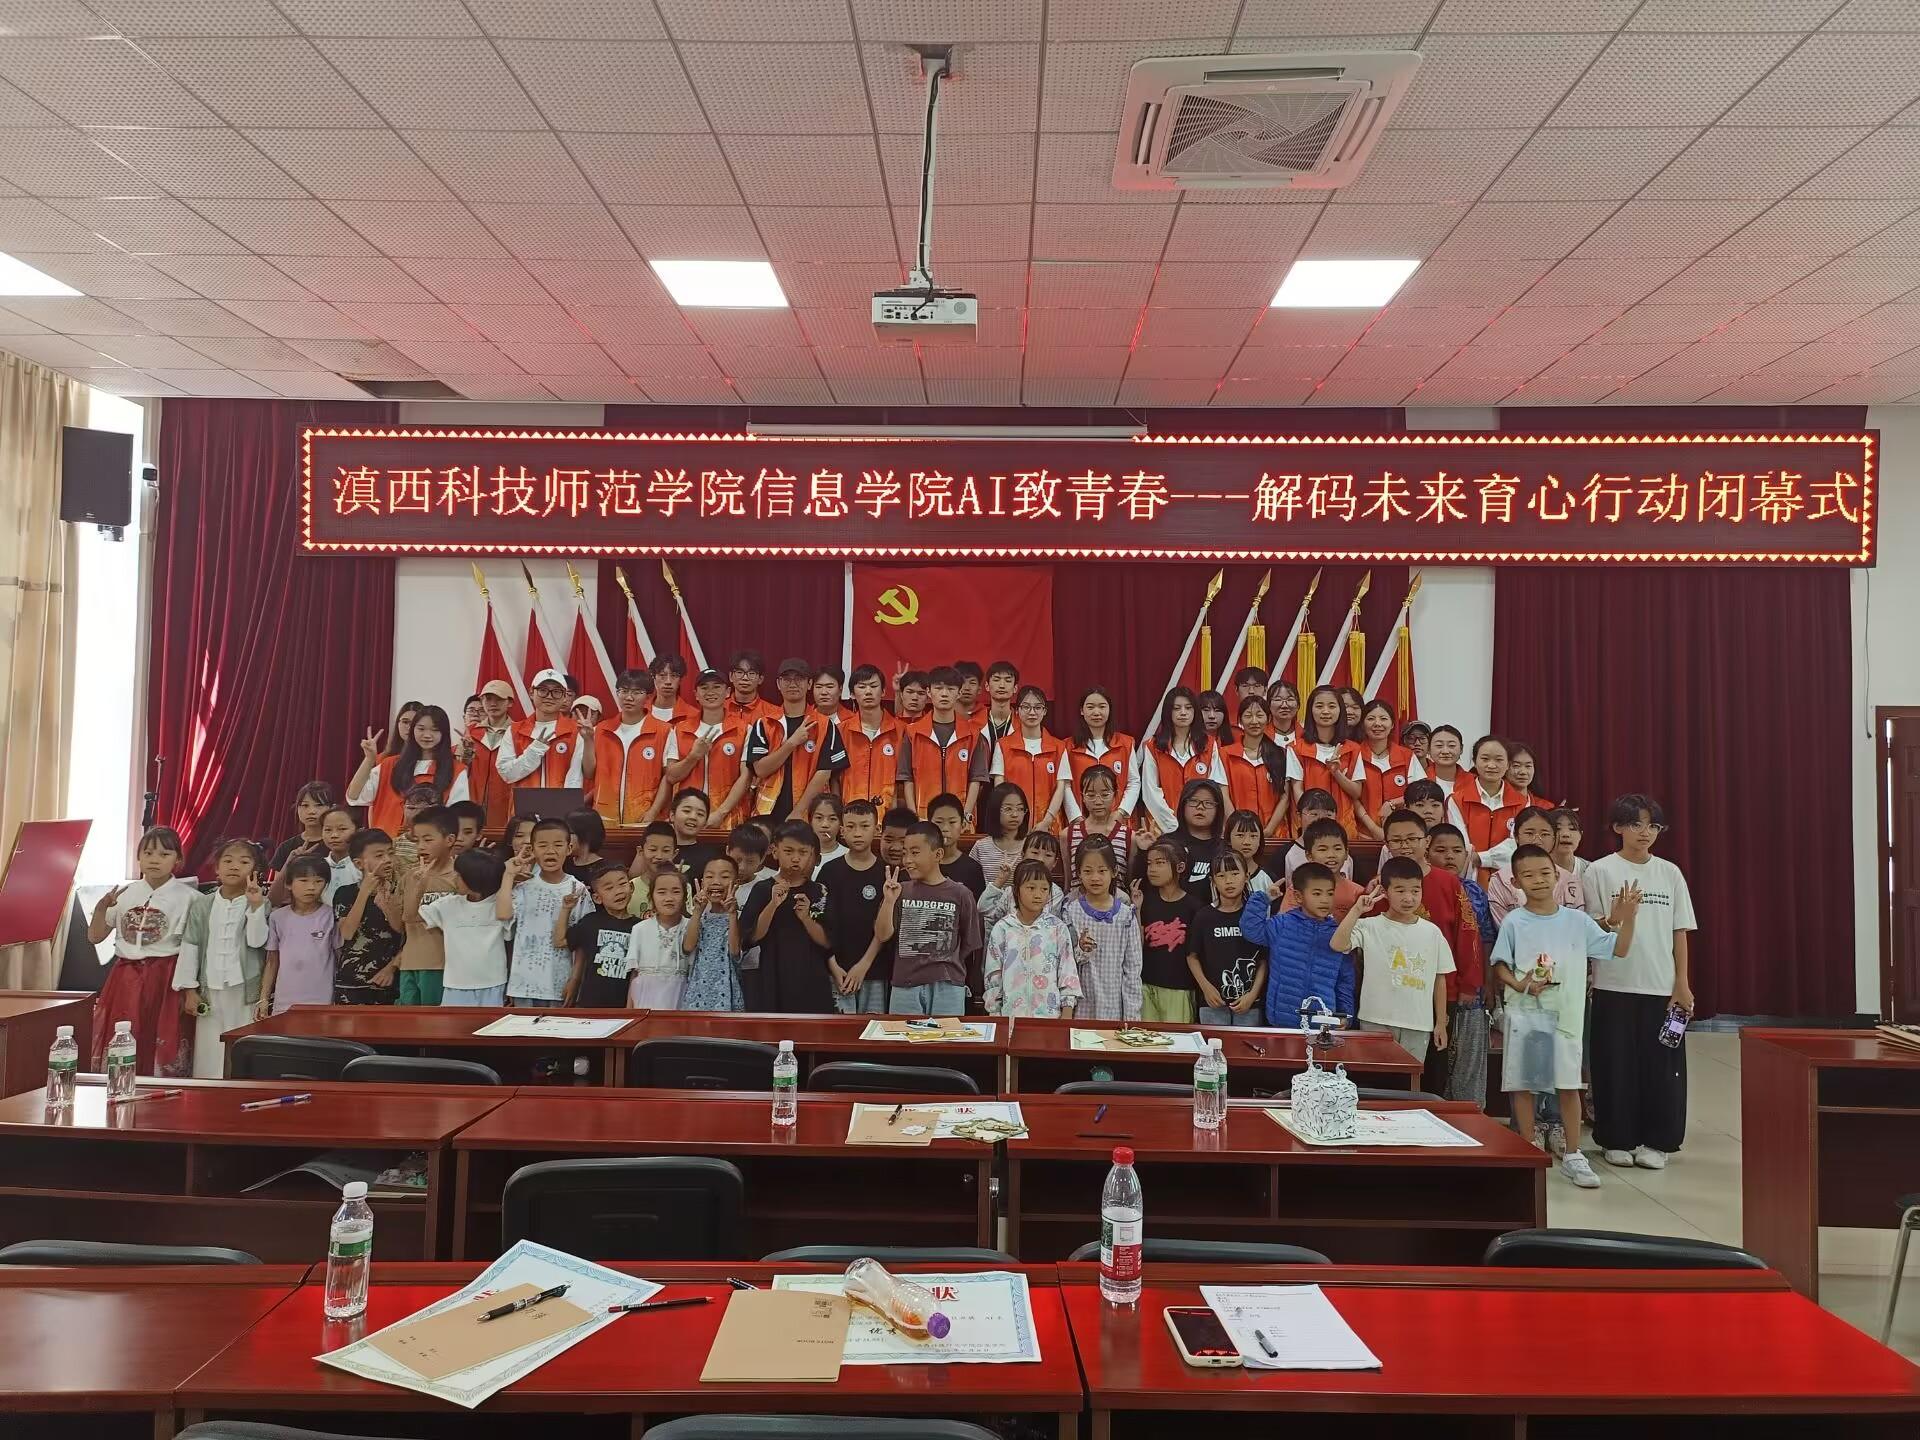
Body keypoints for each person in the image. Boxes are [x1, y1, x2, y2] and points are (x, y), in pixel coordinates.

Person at [1496, 843, 1643, 1190]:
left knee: (1568, 1085)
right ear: (1516, 882)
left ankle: (1574, 1154)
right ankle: (1528, 1147)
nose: (1538, 880)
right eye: (1528, 875)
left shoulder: (1577, 921)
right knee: (1525, 1085)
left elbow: (1619, 949)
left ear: (1558, 876)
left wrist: (1629, 918)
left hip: (1566, 1016)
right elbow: (1500, 965)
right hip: (1527, 1014)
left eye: (1545, 873)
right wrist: (1519, 983)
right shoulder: (1515, 921)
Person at [1582, 793, 1697, 1171]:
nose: (1645, 832)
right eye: (1635, 824)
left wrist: (1681, 983)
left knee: (1661, 1069)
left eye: (1652, 825)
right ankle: (1616, 1138)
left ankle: (1658, 1141)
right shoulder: (1600, 871)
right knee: (1614, 1066)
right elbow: (1593, 929)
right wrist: (1617, 917)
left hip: (1661, 988)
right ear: (1617, 827)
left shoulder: (1670, 873)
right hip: (1613, 984)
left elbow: (1680, 932)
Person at [1376, 808, 1483, 1106]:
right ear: (1387, 845)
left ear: (1426, 841)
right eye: (1396, 840)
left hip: (1439, 990)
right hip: (1392, 992)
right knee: (1390, 1064)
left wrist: (1468, 984)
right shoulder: (1381, 888)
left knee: (1434, 1063)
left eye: (1412, 839)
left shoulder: (1449, 883)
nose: (1405, 846)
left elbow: (1467, 933)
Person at [89, 826, 197, 1076]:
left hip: (166, 976)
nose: (154, 860)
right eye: (148, 853)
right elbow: (95, 937)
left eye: (164, 854)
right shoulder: (125, 894)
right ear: (138, 857)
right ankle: (121, 1084)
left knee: (162, 1034)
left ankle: (160, 1087)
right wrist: (101, 908)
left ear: (178, 859)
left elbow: (193, 947)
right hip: (125, 976)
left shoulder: (190, 897)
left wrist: (190, 988)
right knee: (124, 1033)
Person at [1332, 858, 1453, 1063]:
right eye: (1400, 890)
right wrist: (1357, 910)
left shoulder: (1432, 932)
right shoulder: (1369, 926)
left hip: (1418, 1024)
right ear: (1384, 892)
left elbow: (1439, 980)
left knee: (1410, 1078)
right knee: (1376, 1077)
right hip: (1375, 1020)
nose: (1408, 898)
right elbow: (1337, 944)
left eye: (1415, 890)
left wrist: (1440, 1023)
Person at [175, 838, 270, 1077]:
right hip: (211, 988)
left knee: (243, 1045)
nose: (234, 866)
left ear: (256, 870)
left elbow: (257, 942)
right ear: (217, 868)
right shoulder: (202, 904)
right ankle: (208, 1090)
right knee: (210, 1050)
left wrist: (256, 906)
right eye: (227, 861)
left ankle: (241, 1089)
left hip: (245, 990)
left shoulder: (262, 903)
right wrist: (189, 990)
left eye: (244, 862)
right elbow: (190, 945)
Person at [876, 820, 984, 1016]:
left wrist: (946, 963)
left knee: (947, 1036)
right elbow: (883, 936)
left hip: (948, 985)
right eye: (905, 853)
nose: (907, 860)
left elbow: (970, 944)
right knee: (902, 1036)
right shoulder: (900, 891)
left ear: (938, 854)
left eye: (915, 852)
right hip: (905, 985)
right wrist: (889, 901)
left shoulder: (961, 894)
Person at [498, 817, 592, 1007]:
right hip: (524, 984)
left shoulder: (578, 889)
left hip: (560, 983)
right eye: (542, 845)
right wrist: (509, 875)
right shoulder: (523, 888)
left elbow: (583, 942)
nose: (550, 851)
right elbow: (503, 914)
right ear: (532, 850)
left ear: (569, 848)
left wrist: (575, 979)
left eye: (558, 845)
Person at [740, 820, 833, 1013]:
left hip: (812, 981)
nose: (796, 858)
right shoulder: (762, 889)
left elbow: (828, 942)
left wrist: (806, 918)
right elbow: (750, 938)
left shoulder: (820, 891)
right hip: (772, 979)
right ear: (775, 851)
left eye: (803, 852)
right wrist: (773, 905)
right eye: (789, 851)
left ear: (811, 854)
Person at [1248, 861, 1353, 1023]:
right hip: (1282, 1019)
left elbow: (1345, 980)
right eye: (1317, 894)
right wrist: (1263, 899)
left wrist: (1345, 1015)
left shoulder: (1338, 935)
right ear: (1298, 896)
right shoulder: (1282, 924)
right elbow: (1251, 930)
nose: (1325, 900)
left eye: (1330, 893)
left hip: (1322, 1021)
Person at [747, 656, 849, 821]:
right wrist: (791, 743)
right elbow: (760, 769)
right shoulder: (764, 724)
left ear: (809, 684)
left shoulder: (824, 725)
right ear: (778, 684)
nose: (793, 684)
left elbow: (824, 773)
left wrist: (798, 812)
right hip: (767, 813)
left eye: (799, 679)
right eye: (787, 679)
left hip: (809, 815)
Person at [347, 705, 468, 836]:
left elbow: (458, 818)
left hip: (428, 845)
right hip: (386, 844)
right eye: (421, 729)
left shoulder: (456, 770)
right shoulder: (389, 765)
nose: (427, 735)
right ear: (412, 730)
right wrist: (369, 759)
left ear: (444, 734)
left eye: (435, 730)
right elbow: (354, 797)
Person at [984, 858, 1081, 1018]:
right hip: (1010, 1016)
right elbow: (993, 975)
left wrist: (1067, 1014)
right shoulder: (1003, 928)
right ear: (1016, 890)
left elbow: (1067, 971)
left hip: (1050, 1018)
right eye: (1031, 888)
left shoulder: (1057, 928)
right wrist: (995, 1013)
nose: (1038, 894)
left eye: (1044, 889)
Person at [819, 799, 890, 1013]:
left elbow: (884, 929)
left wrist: (864, 965)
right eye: (851, 827)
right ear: (842, 831)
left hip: (875, 969)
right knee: (838, 1029)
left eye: (864, 826)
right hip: (836, 970)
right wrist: (833, 966)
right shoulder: (829, 871)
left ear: (876, 829)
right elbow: (819, 923)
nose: (857, 833)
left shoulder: (885, 873)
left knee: (873, 1029)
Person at [1059, 838, 1141, 1022]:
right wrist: (1080, 949)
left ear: (1114, 871)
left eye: (1102, 871)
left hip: (1114, 1008)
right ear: (1078, 873)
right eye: (1088, 871)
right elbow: (1063, 964)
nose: (1095, 877)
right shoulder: (1069, 911)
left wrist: (1131, 1018)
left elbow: (1133, 970)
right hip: (1080, 1006)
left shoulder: (1126, 916)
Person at [420, 847, 510, 1007]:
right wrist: (419, 885)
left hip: (493, 983)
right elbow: (411, 917)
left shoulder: (501, 905)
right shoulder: (448, 904)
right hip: (455, 984)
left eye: (459, 875)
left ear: (474, 879)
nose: (454, 879)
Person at [666, 667, 753, 828]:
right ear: (696, 694)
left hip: (729, 819)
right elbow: (671, 776)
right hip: (688, 819)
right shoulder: (679, 729)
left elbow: (746, 777)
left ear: (727, 692)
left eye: (716, 687)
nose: (710, 692)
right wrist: (693, 756)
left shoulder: (744, 729)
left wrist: (720, 813)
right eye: (704, 688)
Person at [1190, 851, 1266, 1026]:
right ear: (1213, 881)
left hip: (1249, 1004)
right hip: (1212, 1003)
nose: (1229, 881)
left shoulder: (1254, 917)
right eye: (1221, 875)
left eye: (1235, 873)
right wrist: (1206, 988)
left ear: (1246, 876)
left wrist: (1253, 995)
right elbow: (1192, 956)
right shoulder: (1204, 916)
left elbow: (1263, 960)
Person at [901, 666, 987, 820]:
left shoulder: (973, 734)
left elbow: (976, 779)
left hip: (960, 820)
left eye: (950, 689)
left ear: (959, 693)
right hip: (923, 818)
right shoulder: (912, 732)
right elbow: (907, 778)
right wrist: (914, 816)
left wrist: (965, 816)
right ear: (929, 692)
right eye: (938, 688)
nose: (944, 694)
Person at [394, 806, 460, 1007]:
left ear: (449, 840)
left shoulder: (460, 877)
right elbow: (402, 923)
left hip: (442, 965)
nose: (421, 846)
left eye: (428, 840)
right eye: (417, 840)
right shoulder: (410, 877)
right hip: (410, 964)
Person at [260, 853, 340, 1017]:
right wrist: (264, 999)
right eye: (304, 881)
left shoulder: (331, 916)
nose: (311, 887)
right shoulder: (277, 917)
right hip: (284, 1001)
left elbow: (339, 958)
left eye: (319, 881)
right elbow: (272, 961)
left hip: (322, 1000)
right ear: (289, 884)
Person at [1140, 687, 1227, 837]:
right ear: (1168, 712)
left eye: (1188, 708)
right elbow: (1151, 791)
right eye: (1176, 708)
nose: (1183, 713)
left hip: (1202, 829)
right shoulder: (1153, 746)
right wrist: (1173, 826)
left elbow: (1215, 788)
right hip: (1164, 829)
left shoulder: (1209, 745)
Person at [594, 668, 676, 826]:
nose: (629, 697)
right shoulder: (602, 729)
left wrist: (653, 811)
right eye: (624, 691)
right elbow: (589, 772)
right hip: (604, 818)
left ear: (648, 696)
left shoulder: (664, 731)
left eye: (637, 692)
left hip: (644, 817)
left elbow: (668, 777)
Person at [329, 828, 402, 1007]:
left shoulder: (400, 891)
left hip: (388, 981)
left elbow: (407, 935)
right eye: (379, 855)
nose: (387, 860)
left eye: (390, 853)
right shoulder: (345, 893)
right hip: (351, 983)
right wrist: (364, 892)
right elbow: (347, 933)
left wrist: (391, 968)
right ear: (359, 863)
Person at [498, 667, 596, 791]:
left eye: (556, 692)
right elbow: (507, 774)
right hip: (525, 802)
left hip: (563, 802)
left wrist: (588, 740)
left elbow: (585, 774)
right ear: (531, 692)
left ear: (564, 696)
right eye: (543, 690)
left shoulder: (576, 731)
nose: (549, 696)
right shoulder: (514, 730)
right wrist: (534, 751)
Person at [1134, 838, 1199, 1023]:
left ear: (1180, 867)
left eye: (1160, 863)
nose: (1152, 869)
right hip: (1146, 984)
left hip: (1179, 988)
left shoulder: (1194, 907)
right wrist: (1137, 910)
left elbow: (1195, 953)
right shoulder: (1146, 901)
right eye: (1149, 863)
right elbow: (1137, 946)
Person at [560, 863, 643, 1007]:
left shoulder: (640, 927)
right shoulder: (591, 922)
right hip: (591, 1003)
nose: (618, 891)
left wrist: (630, 1008)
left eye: (622, 884)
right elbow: (560, 940)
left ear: (631, 887)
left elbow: (638, 971)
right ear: (597, 898)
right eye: (609, 888)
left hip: (624, 1004)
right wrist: (566, 909)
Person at [991, 684, 1071, 832]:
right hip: (1013, 825)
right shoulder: (1003, 745)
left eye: (1038, 707)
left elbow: (1061, 788)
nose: (1032, 712)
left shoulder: (1059, 747)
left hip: (1049, 827)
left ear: (1045, 711)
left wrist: (1047, 821)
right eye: (1026, 707)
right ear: (1017, 710)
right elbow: (999, 786)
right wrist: (1012, 816)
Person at [1486, 807, 1581, 925]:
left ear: (1554, 838)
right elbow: (1504, 927)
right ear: (1516, 836)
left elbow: (1577, 926)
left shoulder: (1570, 881)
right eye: (1529, 833)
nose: (1537, 841)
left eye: (1545, 834)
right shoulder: (1499, 881)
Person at [1293, 685, 1366, 834]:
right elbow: (1297, 789)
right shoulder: (1296, 748)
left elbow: (1356, 792)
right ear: (1310, 710)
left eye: (1332, 706)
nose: (1325, 711)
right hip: (1309, 828)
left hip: (1344, 828)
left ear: (1340, 711)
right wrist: (1311, 818)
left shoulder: (1353, 748)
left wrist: (1336, 773)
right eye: (1319, 706)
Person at [1219, 694, 1295, 837]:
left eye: (1260, 715)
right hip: (1237, 834)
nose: (1254, 721)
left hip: (1275, 834)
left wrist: (1269, 830)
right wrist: (1239, 827)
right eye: (1248, 716)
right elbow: (1223, 795)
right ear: (1240, 720)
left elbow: (1285, 797)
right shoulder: (1224, 754)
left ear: (1268, 719)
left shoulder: (1282, 754)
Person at [1450, 735, 1526, 875]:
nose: (1491, 765)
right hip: (1469, 878)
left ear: (1508, 764)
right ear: (1474, 761)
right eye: (1485, 759)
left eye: (1499, 760)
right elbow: (1459, 845)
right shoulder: (1457, 800)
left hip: (1509, 879)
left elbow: (1518, 845)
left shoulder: (1522, 803)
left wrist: (1481, 858)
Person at [1353, 698, 1425, 839]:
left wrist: (1393, 803)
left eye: (1383, 719)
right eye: (1371, 719)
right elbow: (1351, 797)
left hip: (1402, 836)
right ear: (1362, 724)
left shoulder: (1406, 756)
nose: (1377, 723)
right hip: (1363, 835)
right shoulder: (1354, 754)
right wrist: (1373, 828)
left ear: (1392, 724)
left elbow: (1420, 792)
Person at [682, 853, 745, 1011]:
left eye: (724, 877)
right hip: (698, 991)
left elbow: (735, 952)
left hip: (727, 990)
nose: (716, 881)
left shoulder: (740, 917)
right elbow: (688, 947)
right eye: (710, 876)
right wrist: (697, 911)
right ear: (702, 882)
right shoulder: (699, 917)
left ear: (736, 883)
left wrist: (732, 914)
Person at [1065, 686, 1139, 817]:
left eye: (1102, 706)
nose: (1096, 712)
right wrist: (1076, 817)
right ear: (1081, 710)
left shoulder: (1125, 744)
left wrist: (1121, 812)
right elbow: (1065, 786)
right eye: (1090, 707)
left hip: (1117, 819)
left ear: (1109, 709)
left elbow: (1133, 781)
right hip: (1081, 819)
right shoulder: (1067, 746)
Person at [840, 664, 905, 811]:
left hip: (889, 815)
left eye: (873, 686)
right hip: (850, 814)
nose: (868, 692)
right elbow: (834, 777)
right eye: (862, 687)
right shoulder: (841, 731)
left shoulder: (901, 731)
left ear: (883, 692)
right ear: (852, 694)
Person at [626, 867, 690, 1008]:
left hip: (680, 997)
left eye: (676, 892)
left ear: (685, 896)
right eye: (661, 892)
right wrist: (629, 1011)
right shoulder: (640, 929)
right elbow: (635, 974)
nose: (669, 898)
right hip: (646, 998)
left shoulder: (691, 927)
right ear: (651, 897)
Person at [1062, 764, 1132, 891]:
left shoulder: (1129, 837)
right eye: (1091, 795)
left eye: (1105, 795)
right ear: (1082, 797)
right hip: (1077, 902)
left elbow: (1128, 882)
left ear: (1115, 795)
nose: (1098, 802)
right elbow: (1069, 881)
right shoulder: (1067, 835)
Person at [1278, 819, 1366, 918]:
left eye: (1337, 848)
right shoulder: (1298, 889)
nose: (1331, 855)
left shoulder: (1357, 892)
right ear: (1309, 856)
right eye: (1323, 849)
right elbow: (1285, 923)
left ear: (1346, 853)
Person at [979, 830, 1065, 929]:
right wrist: (1000, 881)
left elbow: (1046, 922)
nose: (1040, 859)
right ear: (1023, 855)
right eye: (1035, 852)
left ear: (1055, 862)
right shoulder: (1011, 891)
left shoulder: (1055, 893)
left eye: (1048, 855)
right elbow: (985, 911)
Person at [464, 679, 518, 833]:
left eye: (499, 699)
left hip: (506, 803)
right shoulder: (471, 732)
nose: (493, 704)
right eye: (488, 699)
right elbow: (460, 770)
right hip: (472, 803)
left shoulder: (519, 733)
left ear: (510, 702)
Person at [1167, 778, 1228, 892]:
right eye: (1194, 801)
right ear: (1183, 805)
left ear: (1218, 810)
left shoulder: (1225, 849)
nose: (1200, 807)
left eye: (1208, 803)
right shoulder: (1167, 844)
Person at [268, 781, 337, 874]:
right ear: (297, 808)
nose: (311, 811)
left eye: (319, 805)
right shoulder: (287, 847)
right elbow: (276, 882)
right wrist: (292, 862)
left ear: (331, 808)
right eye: (305, 805)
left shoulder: (337, 843)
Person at [928, 791, 987, 898]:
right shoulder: (922, 864)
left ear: (963, 825)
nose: (945, 828)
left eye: (952, 822)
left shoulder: (972, 869)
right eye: (939, 822)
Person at [970, 781, 1030, 879]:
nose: (1015, 814)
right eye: (1008, 809)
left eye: (1020, 809)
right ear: (995, 810)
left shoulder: (1031, 845)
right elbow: (971, 882)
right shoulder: (981, 847)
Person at [624, 821, 680, 918]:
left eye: (666, 851)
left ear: (674, 854)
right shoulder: (629, 889)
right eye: (653, 850)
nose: (659, 856)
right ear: (641, 851)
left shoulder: (681, 887)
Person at [1222, 809, 1274, 898]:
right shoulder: (1218, 875)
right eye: (1240, 835)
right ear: (1229, 839)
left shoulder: (1267, 877)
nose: (1247, 842)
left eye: (1253, 836)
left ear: (1260, 840)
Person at [724, 649, 778, 729]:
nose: (745, 678)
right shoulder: (719, 709)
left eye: (751, 673)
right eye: (739, 672)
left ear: (760, 679)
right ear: (731, 676)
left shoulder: (774, 713)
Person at [649, 651, 700, 724]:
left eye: (674, 676)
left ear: (680, 680)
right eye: (662, 675)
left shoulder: (694, 715)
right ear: (653, 677)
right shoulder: (640, 711)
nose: (668, 681)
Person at [980, 659, 1020, 747]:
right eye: (996, 680)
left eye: (1008, 681)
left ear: (1015, 688)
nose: (1002, 685)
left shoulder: (1022, 725)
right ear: (987, 686)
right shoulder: (974, 723)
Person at [564, 807, 607, 884]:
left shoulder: (604, 870)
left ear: (585, 835)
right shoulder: (562, 864)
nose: (564, 837)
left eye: (568, 833)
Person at [809, 791, 846, 872]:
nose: (825, 825)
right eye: (819, 818)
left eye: (832, 819)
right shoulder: (799, 854)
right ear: (810, 821)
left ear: (841, 823)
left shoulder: (848, 856)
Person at [1551, 807, 1588, 882]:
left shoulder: (1590, 870)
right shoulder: (1535, 869)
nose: (1565, 834)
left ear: (1580, 835)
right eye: (1558, 828)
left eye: (1572, 828)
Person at [1425, 724, 1465, 789]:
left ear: (1461, 749)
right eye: (1439, 745)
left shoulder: (1474, 782)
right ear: (1429, 749)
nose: (1445, 751)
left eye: (1451, 745)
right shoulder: (1418, 779)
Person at [1266, 679, 1301, 750]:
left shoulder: (1307, 736)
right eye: (1278, 700)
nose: (1284, 705)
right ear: (1269, 705)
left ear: (1298, 705)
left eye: (1290, 699)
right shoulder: (1261, 736)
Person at [1508, 742, 1539, 809]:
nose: (1523, 772)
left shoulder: (1546, 807)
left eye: (1528, 766)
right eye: (1516, 766)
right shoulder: (1496, 804)